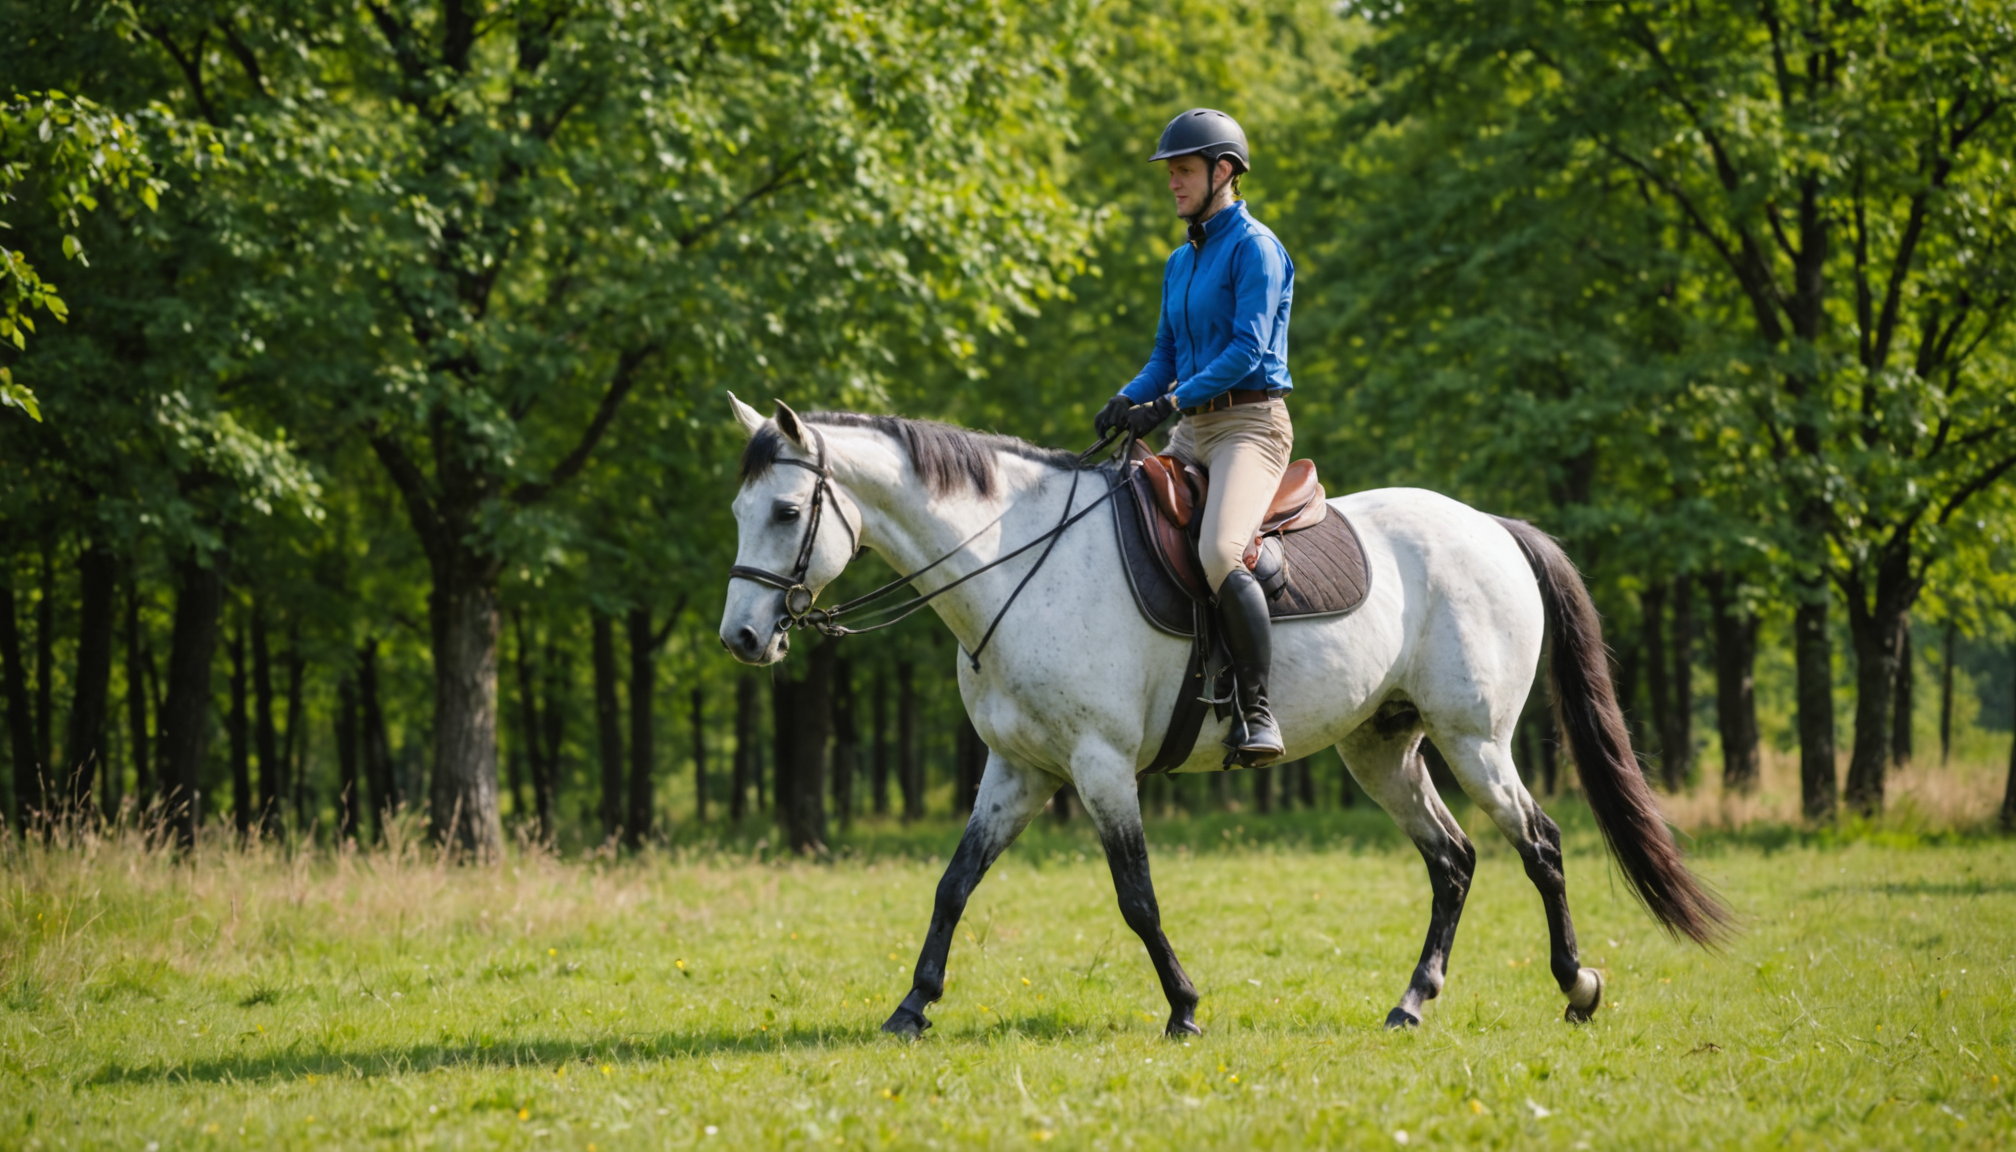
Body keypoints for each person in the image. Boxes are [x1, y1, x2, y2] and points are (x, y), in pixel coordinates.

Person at [1094, 108, 1294, 766]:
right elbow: (1164, 355)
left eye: (1183, 172)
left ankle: (1258, 710)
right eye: (1170, 173)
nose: (1173, 184)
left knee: (1218, 550)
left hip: (1249, 426)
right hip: (1193, 426)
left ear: (1224, 171)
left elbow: (1246, 349)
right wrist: (1130, 396)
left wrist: (1170, 401)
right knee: (1115, 518)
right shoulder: (1180, 262)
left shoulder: (1256, 248)